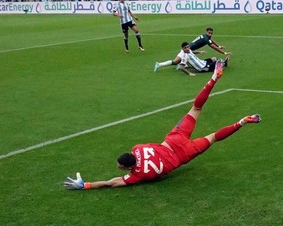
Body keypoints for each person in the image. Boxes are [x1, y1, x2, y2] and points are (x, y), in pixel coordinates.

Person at [64, 62, 261, 190]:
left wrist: (86, 185)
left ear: (127, 167)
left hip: (183, 154)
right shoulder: (137, 147)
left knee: (214, 137)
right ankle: (213, 79)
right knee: (195, 109)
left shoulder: (138, 175)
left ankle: (242, 121)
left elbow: (111, 182)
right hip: (173, 139)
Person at [155, 42, 223, 76]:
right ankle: (159, 64)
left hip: (202, 62)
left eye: (188, 47)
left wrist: (199, 52)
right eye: (186, 47)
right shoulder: (184, 55)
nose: (188, 48)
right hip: (202, 67)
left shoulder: (188, 50)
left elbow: (191, 52)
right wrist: (190, 73)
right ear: (183, 48)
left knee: (214, 58)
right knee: (175, 62)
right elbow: (181, 65)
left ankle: (222, 64)